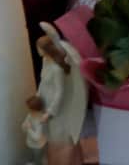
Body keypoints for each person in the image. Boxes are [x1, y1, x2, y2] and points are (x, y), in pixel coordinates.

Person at [36, 22, 86, 165]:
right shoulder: (46, 62)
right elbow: (42, 83)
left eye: (39, 48)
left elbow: (60, 93)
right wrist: (38, 97)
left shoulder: (57, 69)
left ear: (46, 49)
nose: (37, 51)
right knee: (52, 138)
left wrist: (50, 112)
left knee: (61, 138)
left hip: (57, 110)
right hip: (46, 104)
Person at [23, 96, 49, 165]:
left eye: (29, 109)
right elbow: (24, 125)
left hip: (38, 146)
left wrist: (28, 128)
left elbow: (37, 137)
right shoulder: (30, 115)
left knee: (39, 160)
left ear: (35, 110)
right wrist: (25, 126)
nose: (28, 111)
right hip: (31, 143)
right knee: (33, 158)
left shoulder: (40, 120)